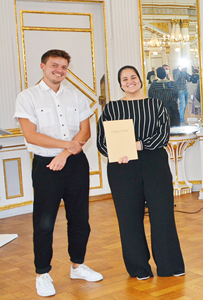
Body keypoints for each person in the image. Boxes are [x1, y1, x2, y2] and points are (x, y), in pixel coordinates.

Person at [14, 49, 103, 297]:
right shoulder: (27, 97)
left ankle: (78, 265)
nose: (59, 71)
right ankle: (42, 273)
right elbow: (30, 135)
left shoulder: (76, 96)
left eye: (64, 67)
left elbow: (85, 132)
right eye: (55, 65)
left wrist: (66, 153)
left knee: (80, 219)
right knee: (44, 223)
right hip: (46, 166)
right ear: (43, 66)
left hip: (74, 163)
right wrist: (65, 146)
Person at [96, 65, 185, 280]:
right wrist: (119, 152)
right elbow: (101, 141)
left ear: (140, 80)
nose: (129, 81)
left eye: (133, 77)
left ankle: (169, 265)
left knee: (163, 215)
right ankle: (138, 268)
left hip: (154, 163)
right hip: (122, 166)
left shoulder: (156, 104)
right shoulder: (111, 109)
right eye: (124, 79)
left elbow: (163, 136)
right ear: (120, 84)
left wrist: (137, 145)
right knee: (129, 218)